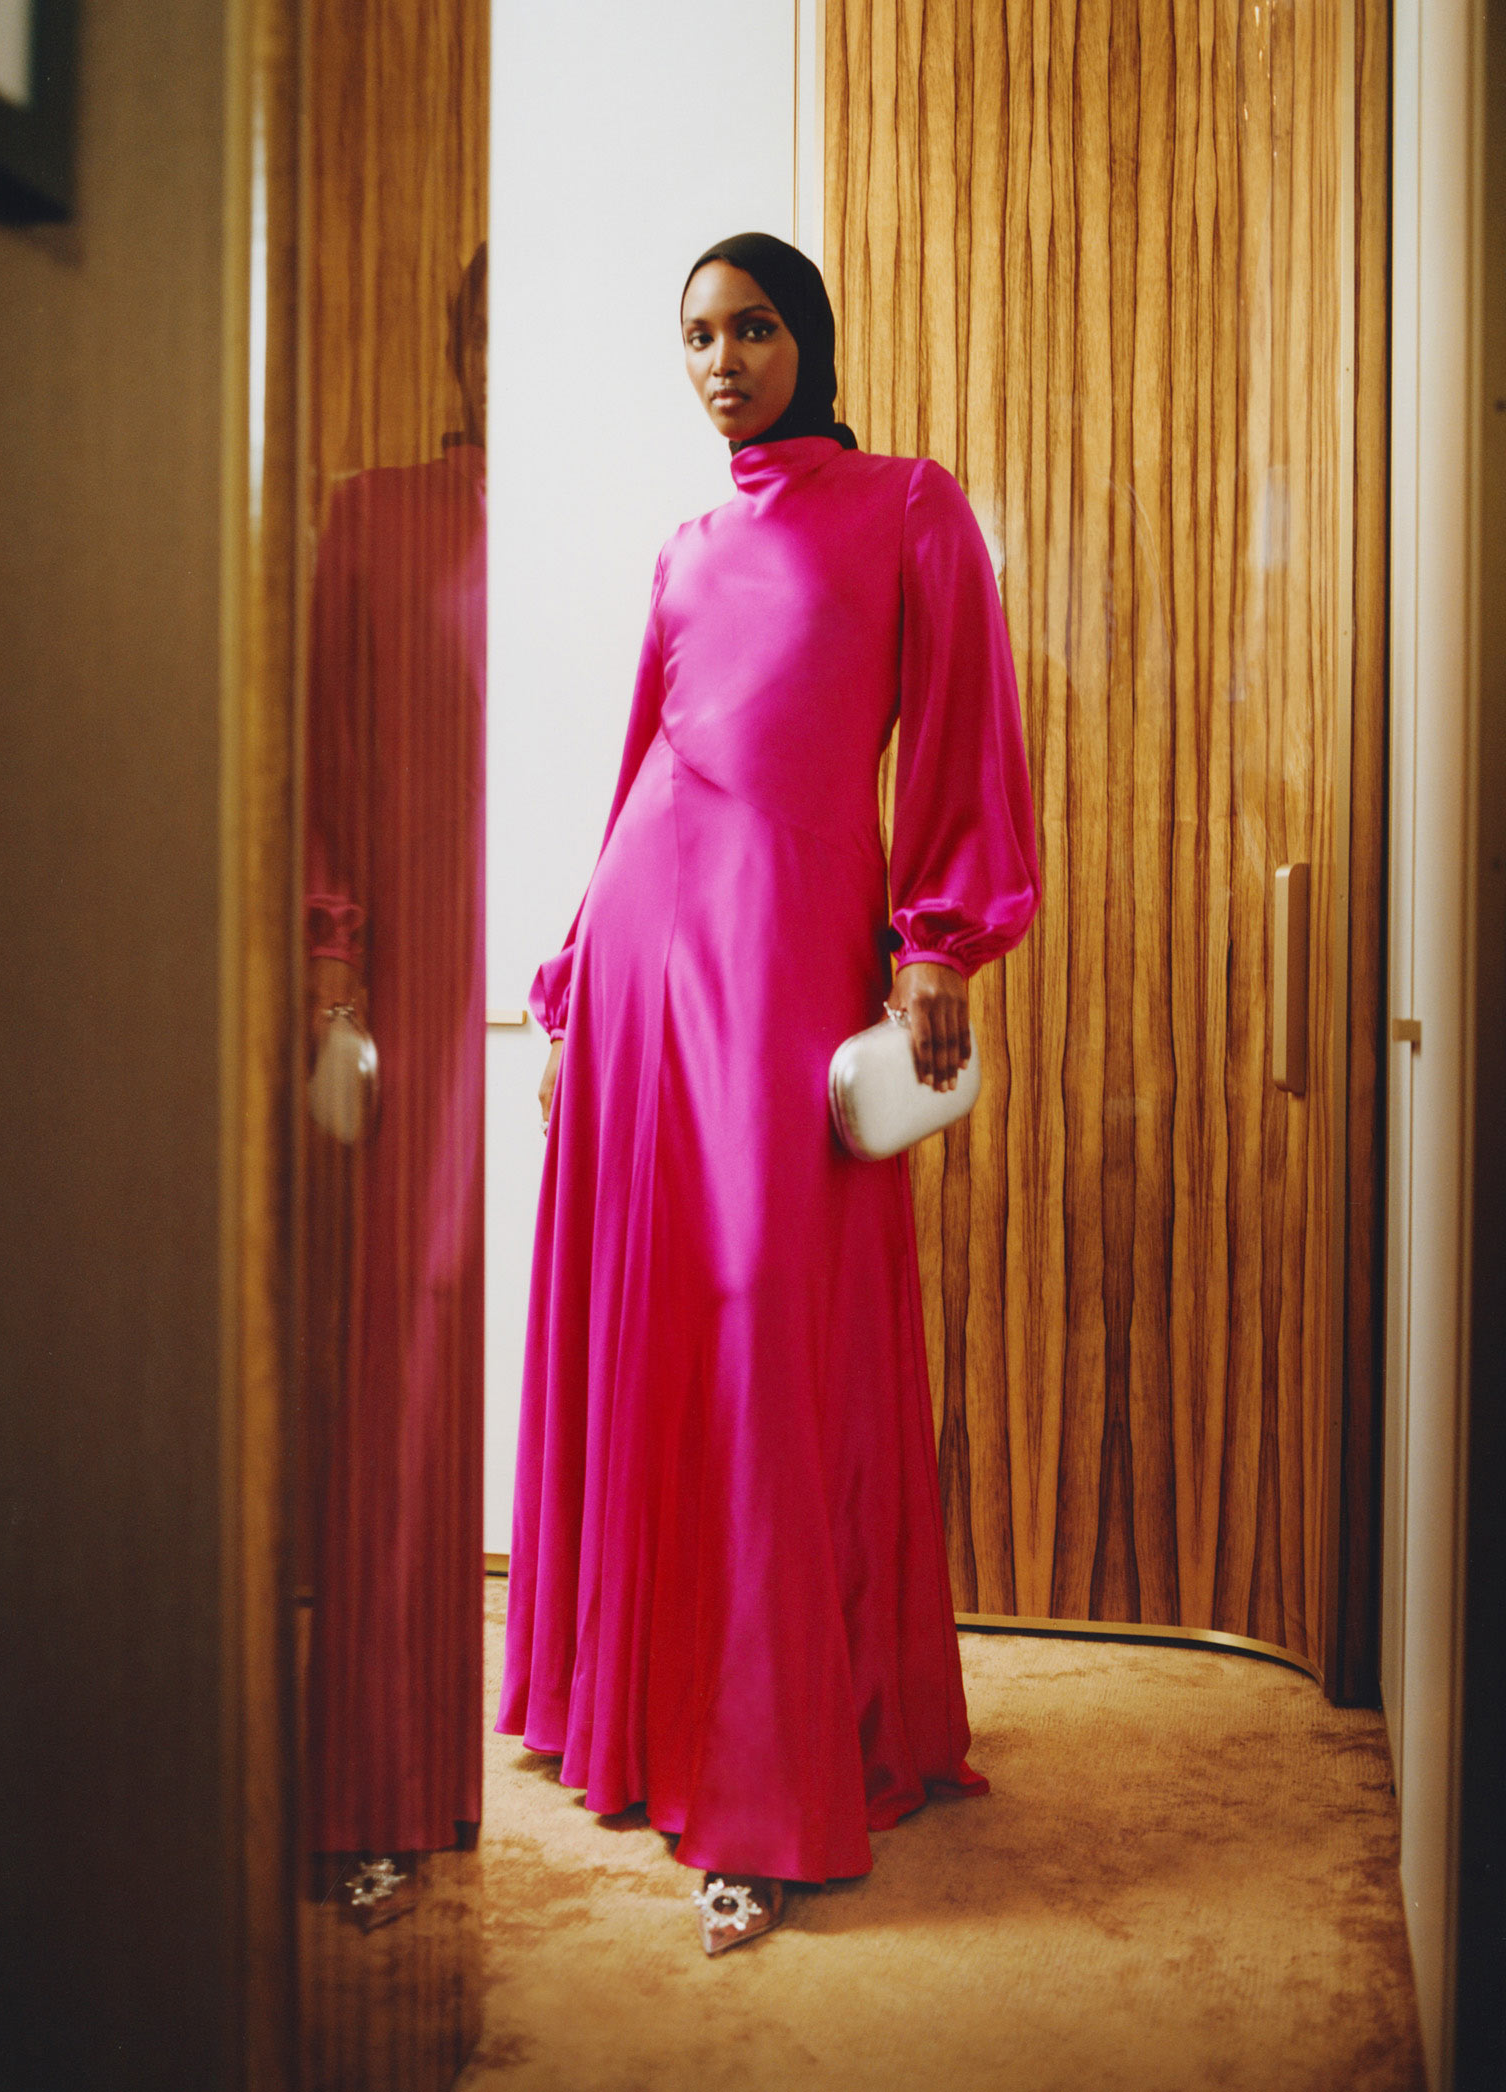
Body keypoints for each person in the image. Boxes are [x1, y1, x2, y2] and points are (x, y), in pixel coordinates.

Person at [496, 232, 1040, 1955]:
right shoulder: (682, 548)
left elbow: (959, 737)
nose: (721, 360)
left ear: (805, 336)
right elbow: (643, 767)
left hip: (790, 971)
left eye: (749, 329)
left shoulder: (910, 508)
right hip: (655, 967)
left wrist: (938, 946)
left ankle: (773, 1780)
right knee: (661, 1330)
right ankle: (656, 1732)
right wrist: (576, 974)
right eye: (696, 337)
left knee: (766, 1337)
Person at [302, 247, 487, 1868]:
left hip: (616, 1008)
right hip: (428, 1014)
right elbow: (332, 768)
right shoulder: (374, 515)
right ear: (461, 335)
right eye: (498, 322)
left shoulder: (661, 529)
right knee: (410, 1385)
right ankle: (373, 1784)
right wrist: (336, 983)